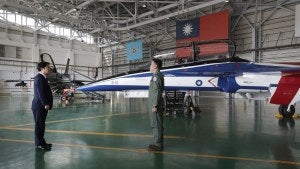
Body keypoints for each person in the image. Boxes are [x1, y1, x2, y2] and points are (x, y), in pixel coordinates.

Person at [31, 61, 53, 151]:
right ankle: (39, 144)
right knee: (39, 125)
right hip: (40, 106)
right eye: (48, 67)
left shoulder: (43, 78)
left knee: (41, 125)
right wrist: (45, 104)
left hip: (41, 105)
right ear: (42, 68)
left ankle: (42, 142)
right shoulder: (39, 78)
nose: (49, 69)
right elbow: (41, 93)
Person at [148, 58, 165, 151]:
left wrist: (154, 105)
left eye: (151, 64)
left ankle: (158, 145)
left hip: (156, 104)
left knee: (156, 124)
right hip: (157, 103)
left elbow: (157, 91)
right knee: (158, 123)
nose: (150, 66)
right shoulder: (157, 75)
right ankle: (159, 143)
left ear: (155, 66)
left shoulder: (156, 76)